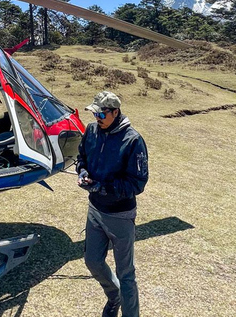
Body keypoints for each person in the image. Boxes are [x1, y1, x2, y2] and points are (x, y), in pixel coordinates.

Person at [77, 91, 148, 317]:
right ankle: (114, 295)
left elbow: (137, 183)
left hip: (120, 216)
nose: (97, 117)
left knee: (126, 273)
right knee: (92, 262)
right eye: (94, 112)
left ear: (115, 112)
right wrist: (83, 172)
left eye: (101, 113)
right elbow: (81, 158)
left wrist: (105, 188)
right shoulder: (91, 131)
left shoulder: (133, 140)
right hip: (95, 211)